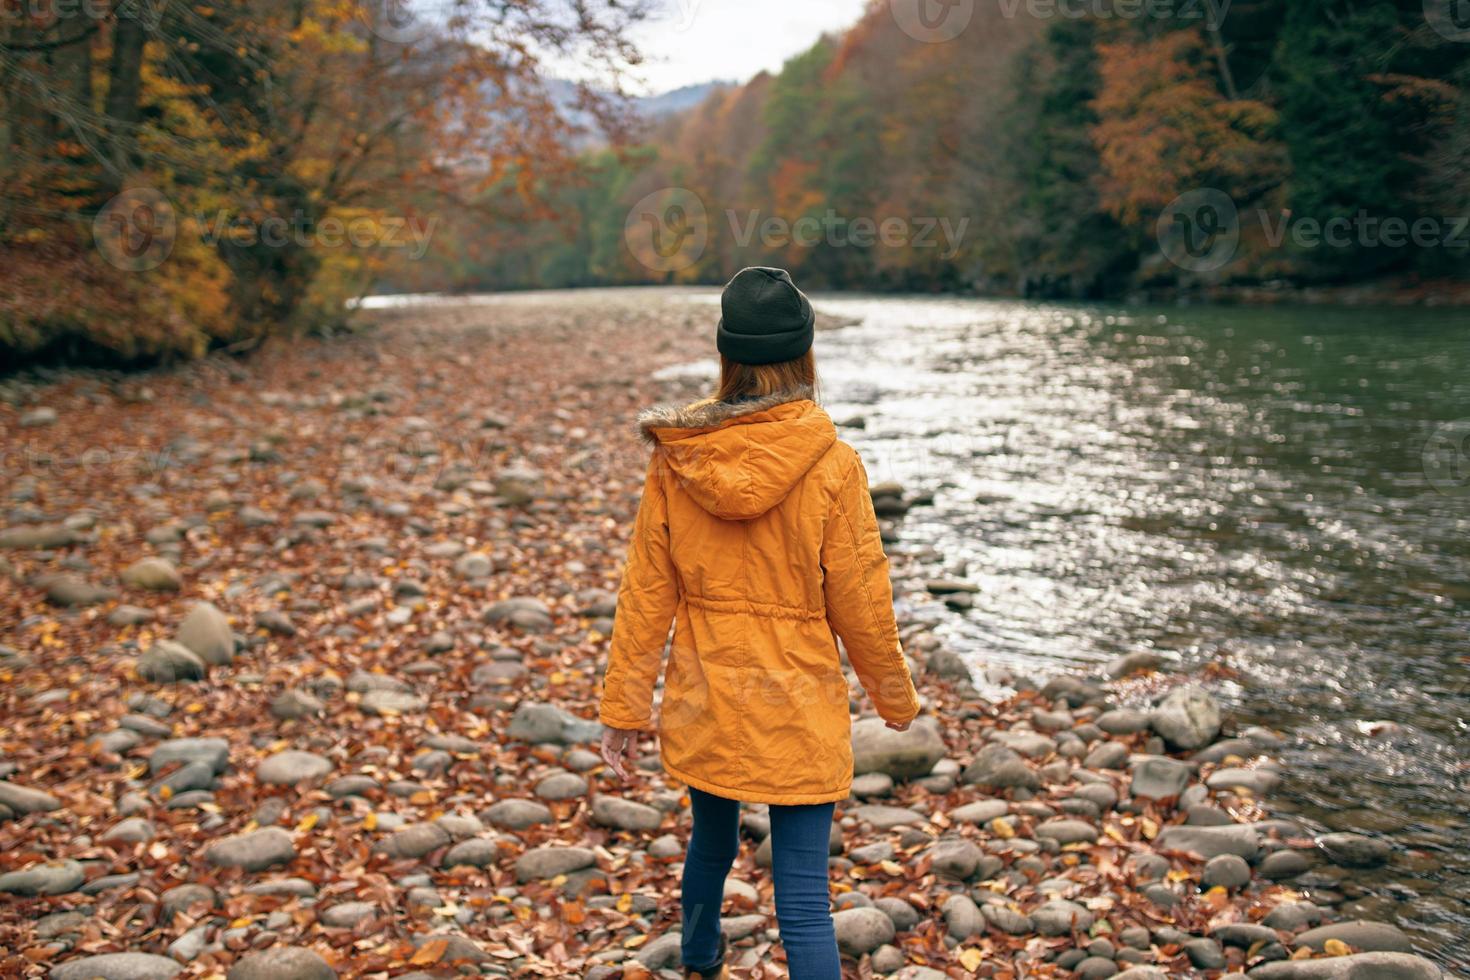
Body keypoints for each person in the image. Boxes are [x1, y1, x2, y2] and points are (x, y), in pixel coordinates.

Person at [598, 266, 921, 979]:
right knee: (804, 901)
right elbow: (862, 600)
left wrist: (624, 709)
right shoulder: (833, 464)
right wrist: (894, 698)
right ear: (804, 355)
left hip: (708, 694)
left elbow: (646, 591)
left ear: (727, 356)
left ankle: (698, 959)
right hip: (795, 704)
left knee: (708, 851)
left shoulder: (679, 459)